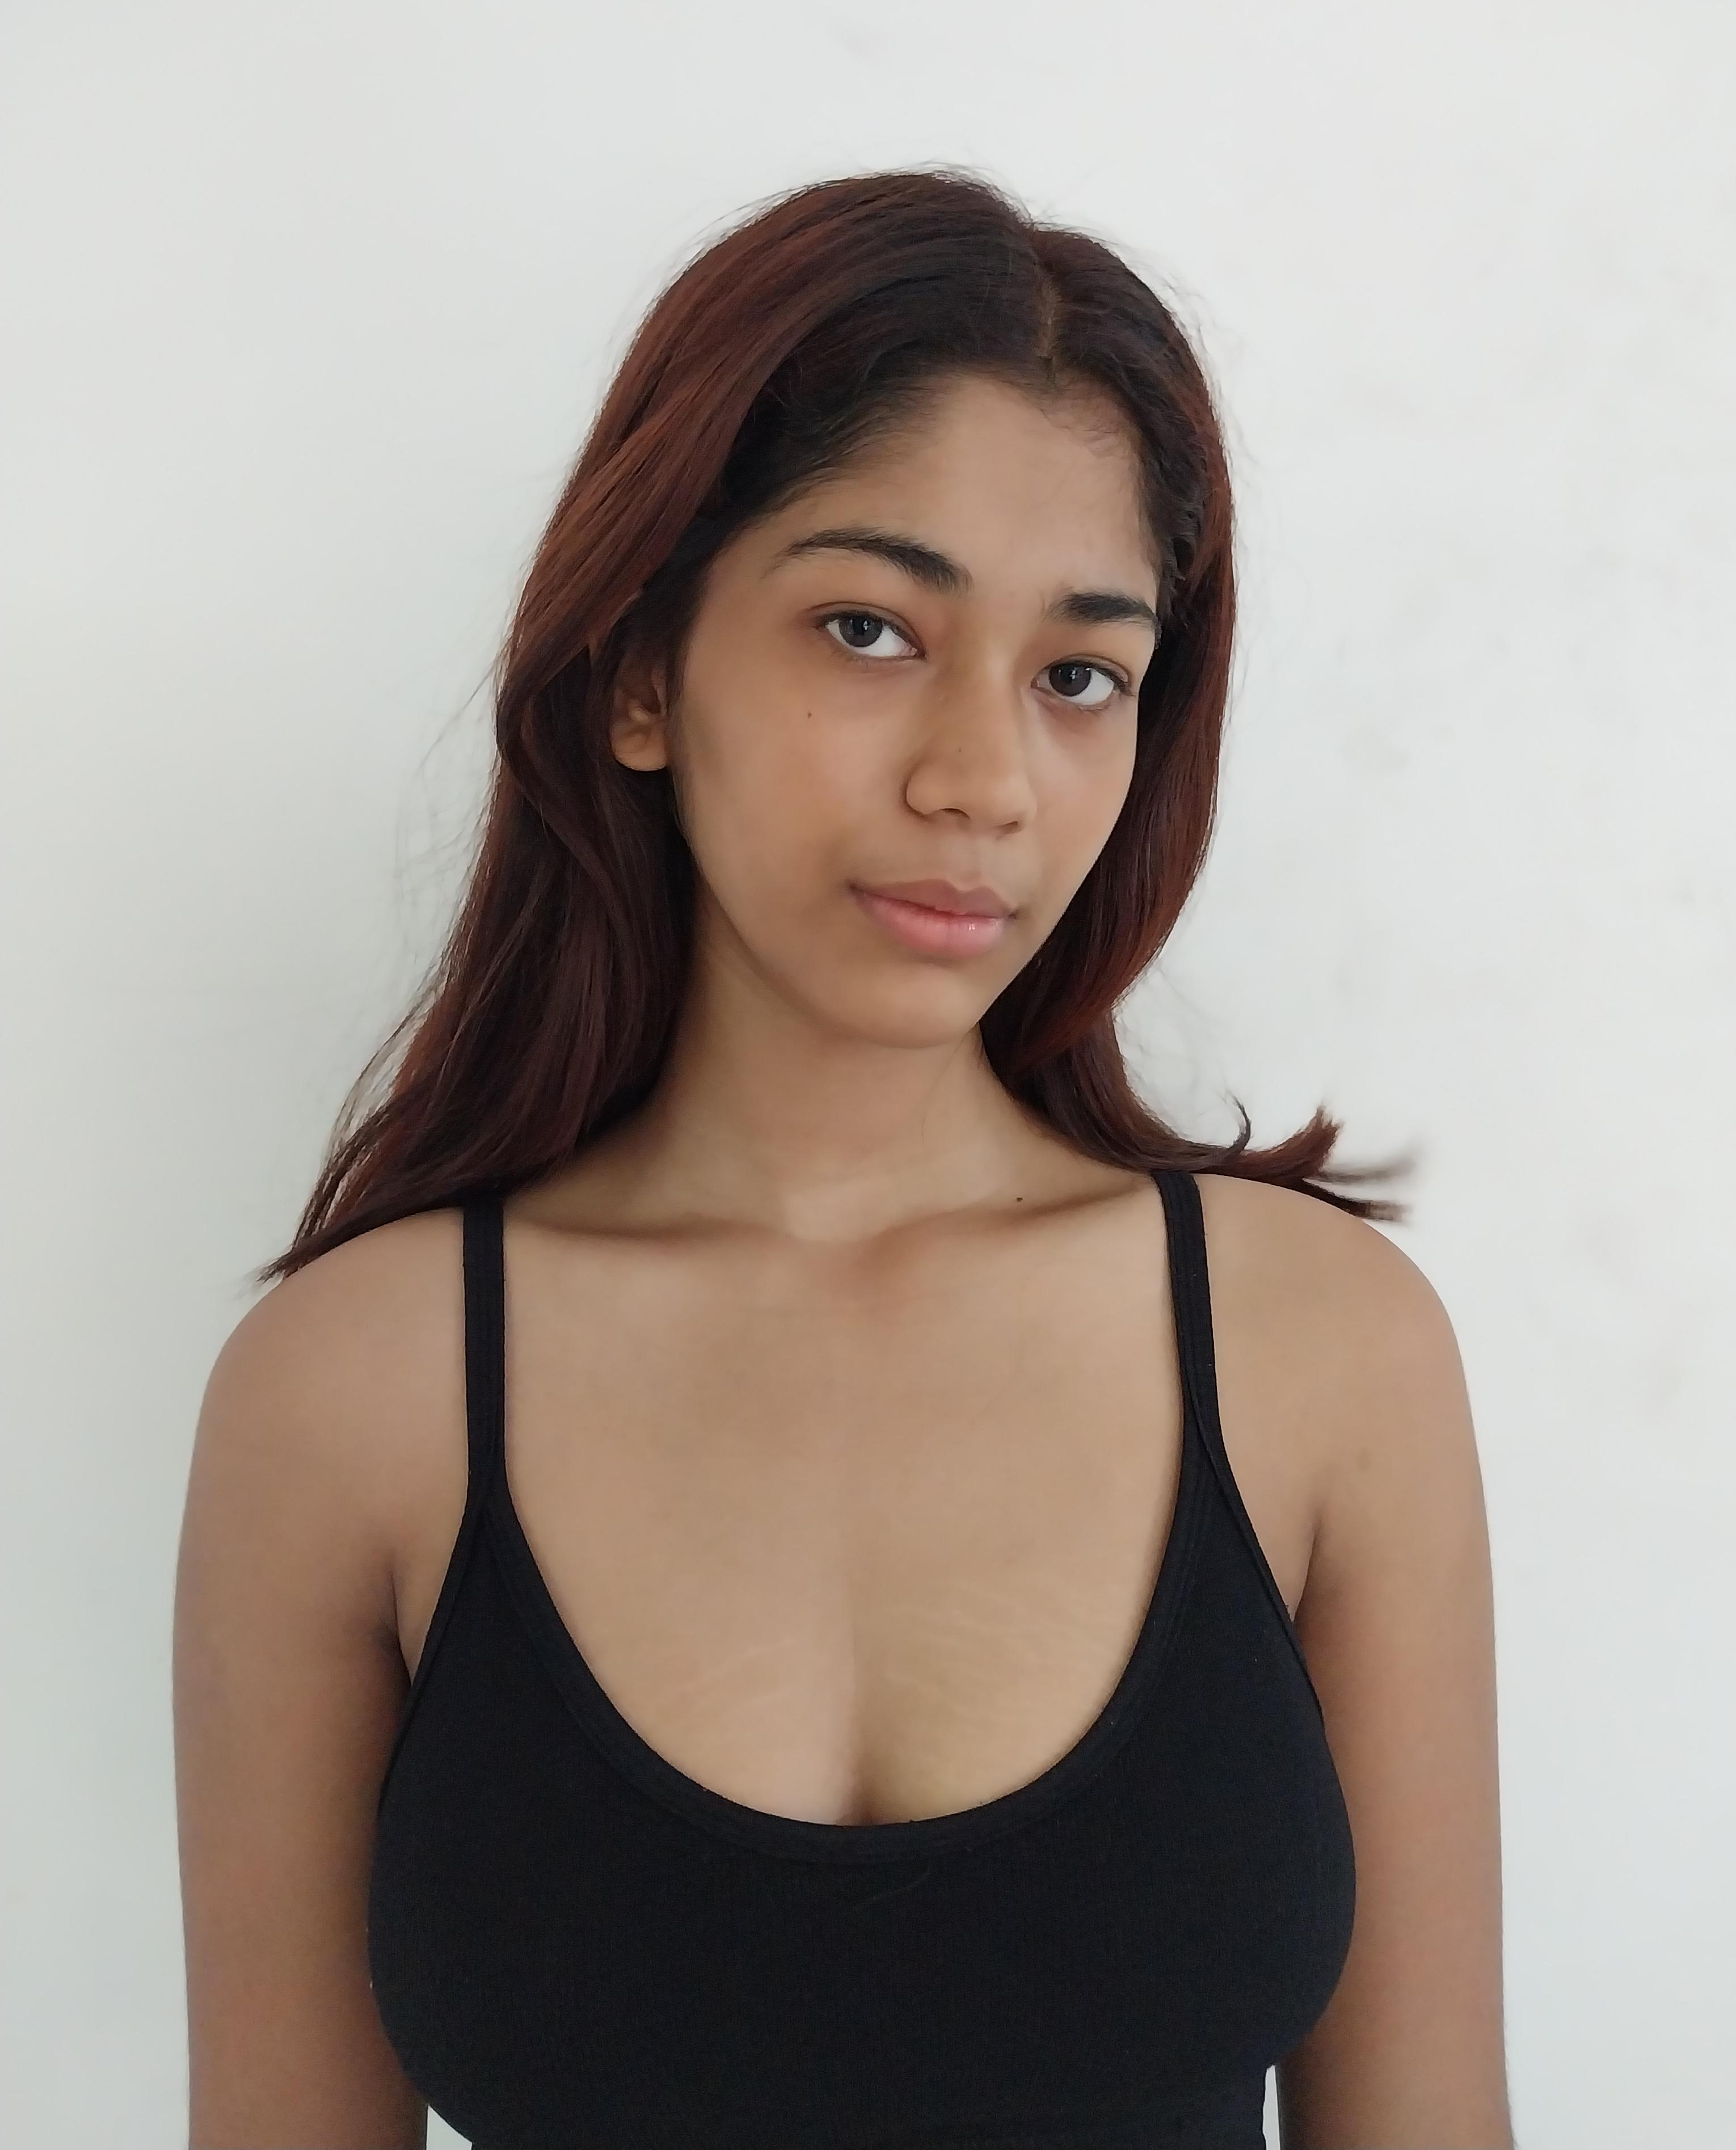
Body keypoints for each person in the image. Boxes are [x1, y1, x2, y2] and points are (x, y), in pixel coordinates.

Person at [173, 168, 1512, 2149]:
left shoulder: (1323, 1351)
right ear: (642, 671)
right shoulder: (352, 1397)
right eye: (870, 629)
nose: (980, 780)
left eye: (1078, 674)